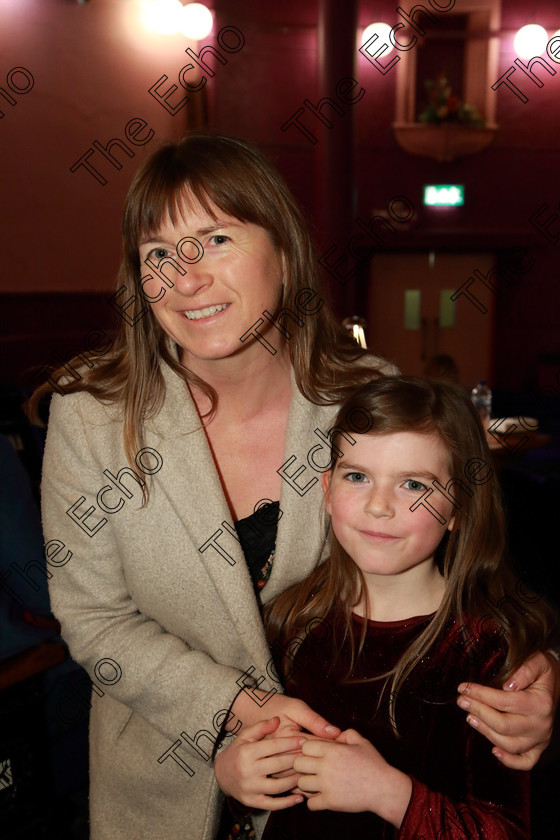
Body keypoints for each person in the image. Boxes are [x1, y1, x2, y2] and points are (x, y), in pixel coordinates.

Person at [29, 135, 559, 840]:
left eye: (214, 239)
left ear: (283, 248)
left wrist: (539, 669)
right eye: (159, 253)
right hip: (166, 787)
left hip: (349, 798)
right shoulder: (90, 414)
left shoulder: (366, 393)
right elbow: (93, 618)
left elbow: (459, 569)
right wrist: (239, 707)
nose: (185, 278)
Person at [241, 376, 558, 839]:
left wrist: (391, 794)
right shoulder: (293, 620)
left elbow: (505, 830)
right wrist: (238, 773)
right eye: (357, 476)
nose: (379, 505)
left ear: (458, 510)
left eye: (413, 484)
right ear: (327, 490)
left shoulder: (485, 652)